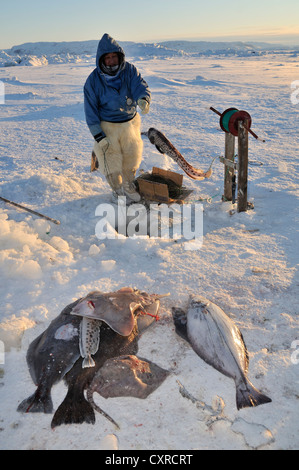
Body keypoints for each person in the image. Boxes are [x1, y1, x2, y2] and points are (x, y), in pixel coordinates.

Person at [84, 33, 151, 202]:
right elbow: (90, 109)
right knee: (110, 161)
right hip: (107, 126)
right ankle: (117, 189)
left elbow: (139, 85)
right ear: (101, 60)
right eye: (108, 58)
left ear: (119, 56)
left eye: (114, 56)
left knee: (131, 157)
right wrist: (98, 134)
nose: (112, 61)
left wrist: (143, 99)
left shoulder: (129, 70)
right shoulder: (93, 80)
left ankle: (129, 185)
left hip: (129, 124)